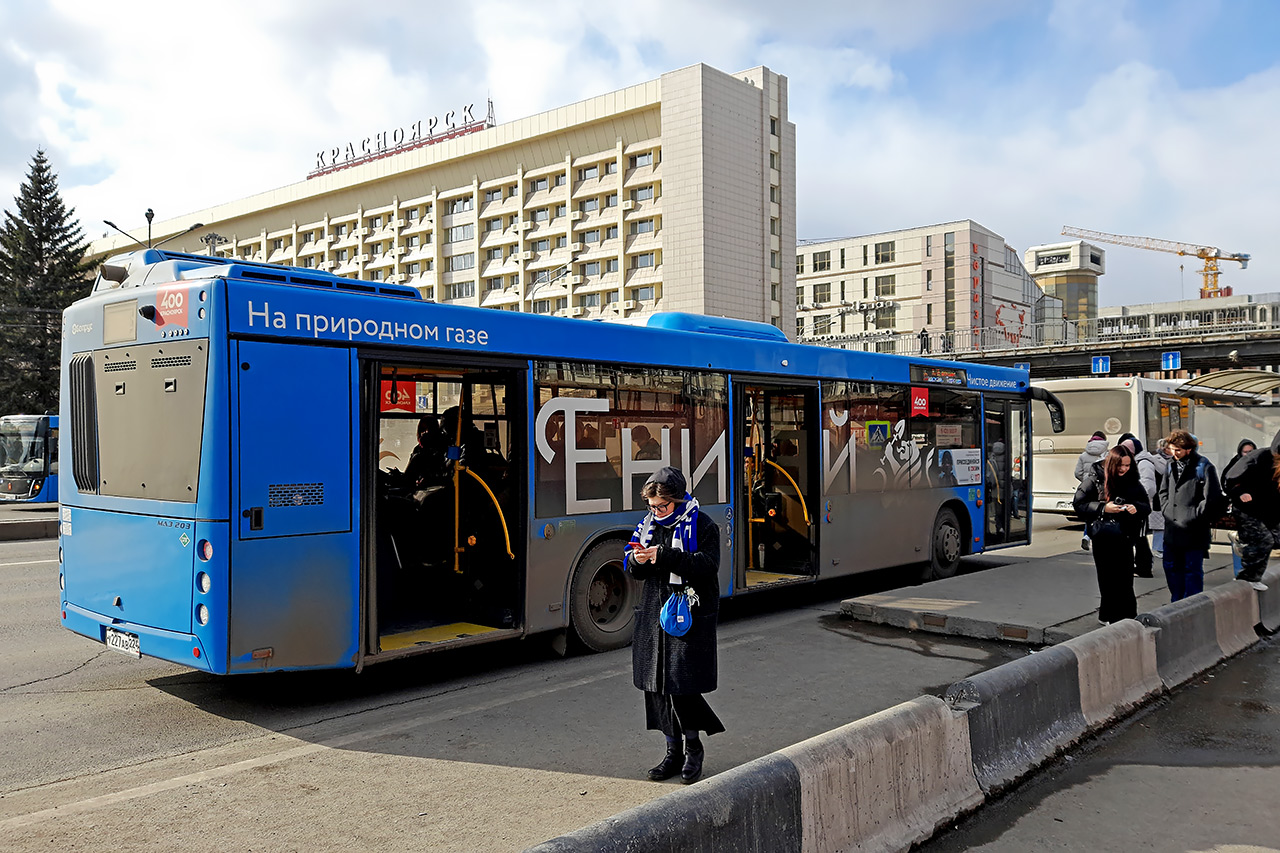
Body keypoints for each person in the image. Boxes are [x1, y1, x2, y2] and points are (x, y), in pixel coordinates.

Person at [625, 466, 724, 784]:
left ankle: (693, 749)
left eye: (662, 506)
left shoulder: (702, 525)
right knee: (656, 688)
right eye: (652, 506)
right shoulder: (647, 525)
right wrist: (636, 561)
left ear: (679, 501)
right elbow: (633, 566)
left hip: (688, 617)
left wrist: (665, 555)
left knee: (682, 687)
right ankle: (672, 752)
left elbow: (708, 566)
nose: (656, 511)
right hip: (654, 616)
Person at [1074, 445, 1150, 624]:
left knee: (1125, 579)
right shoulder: (1095, 479)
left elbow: (1146, 505)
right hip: (1103, 537)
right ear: (1111, 464)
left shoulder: (1132, 481)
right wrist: (1103, 507)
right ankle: (1110, 616)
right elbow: (1079, 504)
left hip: (1125, 536)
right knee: (1108, 579)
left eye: (1128, 465)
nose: (1124, 469)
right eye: (1120, 465)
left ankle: (1128, 617)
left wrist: (1135, 507)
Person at [1160, 429, 1225, 602]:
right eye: (1172, 449)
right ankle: (1176, 603)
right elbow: (1163, 491)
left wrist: (1194, 515)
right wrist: (1167, 509)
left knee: (1192, 571)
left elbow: (1212, 497)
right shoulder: (1170, 465)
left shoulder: (1203, 466)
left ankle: (1191, 606)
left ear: (1189, 449)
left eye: (1178, 450)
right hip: (1172, 529)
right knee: (1171, 568)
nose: (1174, 453)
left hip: (1194, 531)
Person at [1221, 433, 1275, 592]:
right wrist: (1240, 493)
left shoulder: (1264, 464)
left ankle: (1251, 573)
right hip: (1245, 509)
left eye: (1250, 451)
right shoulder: (1241, 464)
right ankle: (1248, 576)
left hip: (1262, 508)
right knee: (1263, 540)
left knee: (1271, 539)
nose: (1248, 454)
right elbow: (1228, 481)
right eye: (1245, 452)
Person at [1118, 434, 1156, 578]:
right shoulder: (1137, 462)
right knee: (1137, 540)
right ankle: (1141, 566)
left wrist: (1137, 502)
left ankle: (1144, 568)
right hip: (1134, 508)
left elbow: (1148, 487)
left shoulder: (1143, 463)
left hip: (1138, 510)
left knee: (1140, 540)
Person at [1075, 430, 1110, 551]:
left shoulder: (1084, 455)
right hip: (1102, 488)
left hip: (1088, 488)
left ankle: (1087, 535)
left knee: (1090, 511)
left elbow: (1077, 473)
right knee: (1101, 512)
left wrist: (1086, 481)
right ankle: (1093, 535)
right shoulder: (1107, 453)